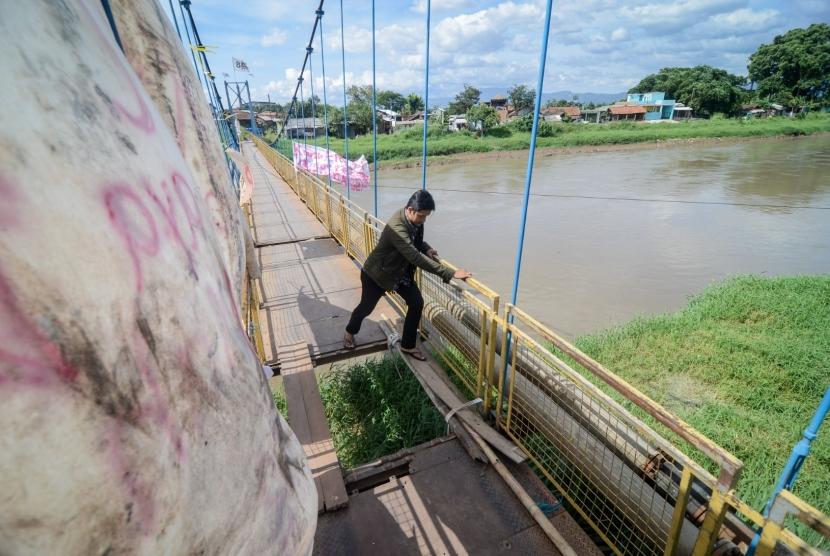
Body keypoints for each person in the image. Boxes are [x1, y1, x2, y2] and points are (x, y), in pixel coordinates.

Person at [344, 190, 472, 360]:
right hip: (377, 274)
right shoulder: (396, 227)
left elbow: (416, 244)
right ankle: (349, 332)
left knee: (417, 303)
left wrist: (426, 248)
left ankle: (408, 346)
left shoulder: (416, 222)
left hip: (400, 273)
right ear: (410, 210)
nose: (423, 220)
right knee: (366, 308)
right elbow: (413, 255)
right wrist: (451, 273)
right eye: (421, 216)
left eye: (426, 216)